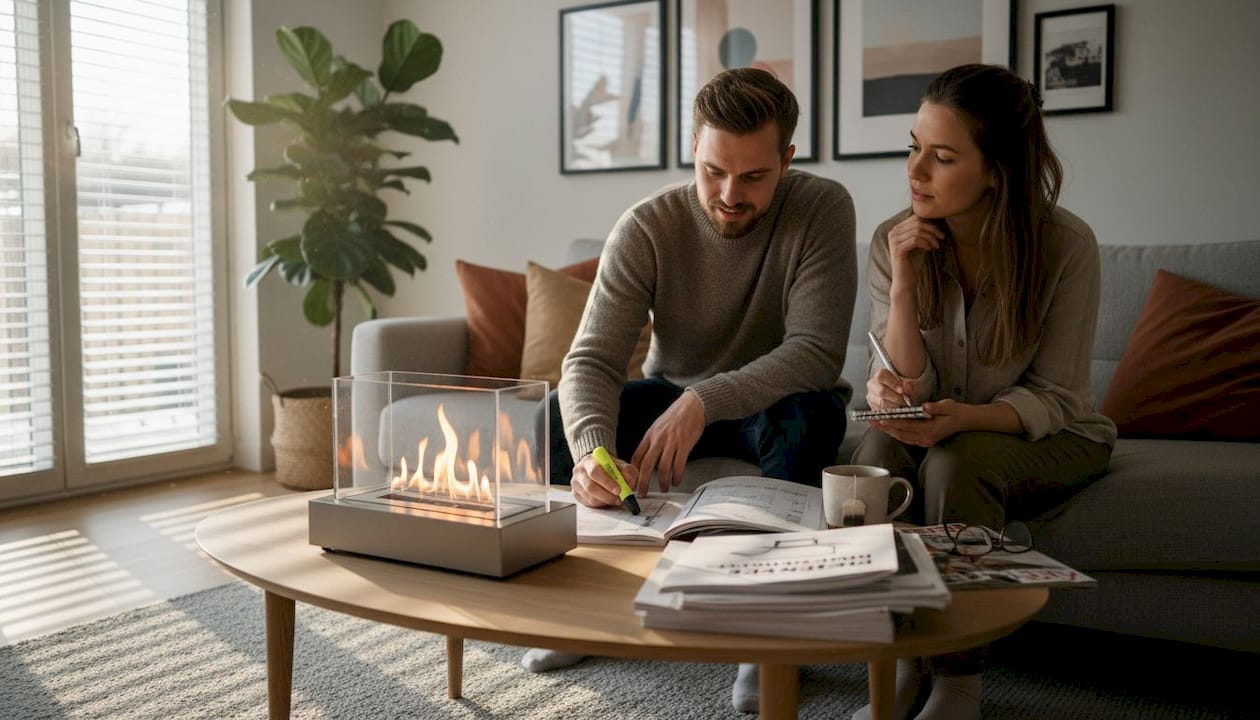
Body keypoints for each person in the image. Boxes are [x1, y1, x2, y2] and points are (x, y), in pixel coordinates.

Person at [524, 67, 859, 714]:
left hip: (773, 401)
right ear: (693, 149)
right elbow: (590, 359)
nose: (730, 194)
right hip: (668, 391)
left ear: (787, 159)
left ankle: (767, 641)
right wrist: (595, 451)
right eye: (713, 171)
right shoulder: (647, 226)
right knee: (550, 425)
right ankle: (580, 614)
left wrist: (704, 400)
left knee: (811, 419)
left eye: (754, 176)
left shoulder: (822, 208)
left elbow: (815, 353)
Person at [851, 64, 1117, 720]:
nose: (915, 171)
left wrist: (963, 417)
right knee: (871, 457)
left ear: (996, 171)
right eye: (913, 147)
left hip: (1057, 435)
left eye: (941, 157)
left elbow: (1057, 395)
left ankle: (958, 680)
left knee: (957, 458)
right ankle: (899, 662)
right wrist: (907, 283)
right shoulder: (894, 242)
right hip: (948, 419)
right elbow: (909, 387)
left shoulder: (1065, 245)